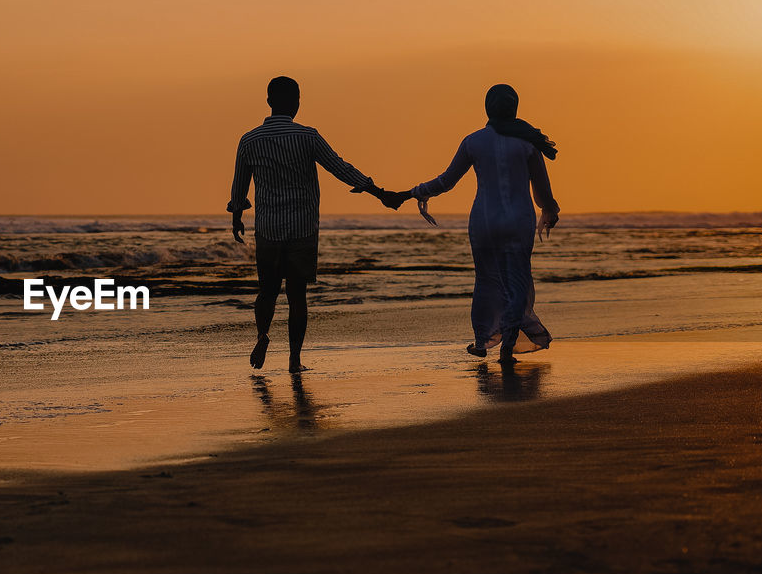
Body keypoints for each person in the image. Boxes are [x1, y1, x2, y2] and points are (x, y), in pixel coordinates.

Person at [228, 76, 404, 373]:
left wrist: (236, 217)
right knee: (297, 296)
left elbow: (239, 188)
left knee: (267, 291)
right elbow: (341, 168)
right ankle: (295, 360)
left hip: (268, 229)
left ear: (269, 102)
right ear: (296, 102)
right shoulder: (308, 137)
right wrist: (378, 192)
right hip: (302, 229)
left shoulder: (250, 140)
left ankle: (262, 335)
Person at [406, 84, 561, 364]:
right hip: (518, 220)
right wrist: (551, 210)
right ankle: (507, 346)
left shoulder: (473, 141)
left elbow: (446, 181)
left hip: (484, 221)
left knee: (486, 279)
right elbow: (543, 188)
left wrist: (414, 191)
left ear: (488, 108)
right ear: (514, 107)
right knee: (517, 282)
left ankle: (481, 341)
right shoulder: (527, 142)